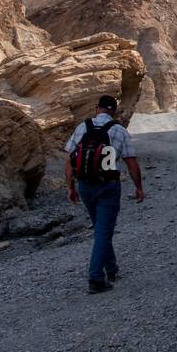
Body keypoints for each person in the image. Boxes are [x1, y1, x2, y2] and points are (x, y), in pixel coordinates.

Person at [63, 94, 145, 294]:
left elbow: (69, 160)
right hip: (108, 186)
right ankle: (95, 278)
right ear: (114, 112)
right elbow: (131, 163)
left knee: (101, 229)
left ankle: (111, 269)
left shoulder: (83, 127)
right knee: (103, 231)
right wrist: (139, 187)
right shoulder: (119, 130)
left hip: (85, 186)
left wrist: (70, 187)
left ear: (96, 108)